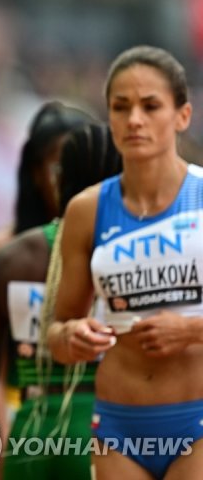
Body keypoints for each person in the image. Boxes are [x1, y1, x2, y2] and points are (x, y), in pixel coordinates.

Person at [48, 46, 203, 480]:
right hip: (117, 426)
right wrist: (74, 336)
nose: (134, 119)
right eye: (121, 107)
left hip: (198, 421)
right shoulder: (86, 211)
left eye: (150, 106)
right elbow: (57, 333)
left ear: (182, 115)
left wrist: (191, 329)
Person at [0, 120, 122, 479]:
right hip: (106, 428)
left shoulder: (10, 258)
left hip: (31, 431)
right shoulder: (128, 251)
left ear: (60, 178)